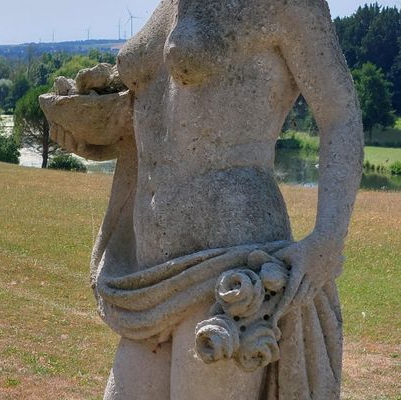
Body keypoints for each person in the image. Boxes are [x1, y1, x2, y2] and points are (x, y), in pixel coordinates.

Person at [40, 0, 363, 399]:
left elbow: (340, 116)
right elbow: (160, 113)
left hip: (231, 266)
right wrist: (99, 134)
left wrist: (328, 238)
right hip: (149, 272)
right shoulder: (169, 5)